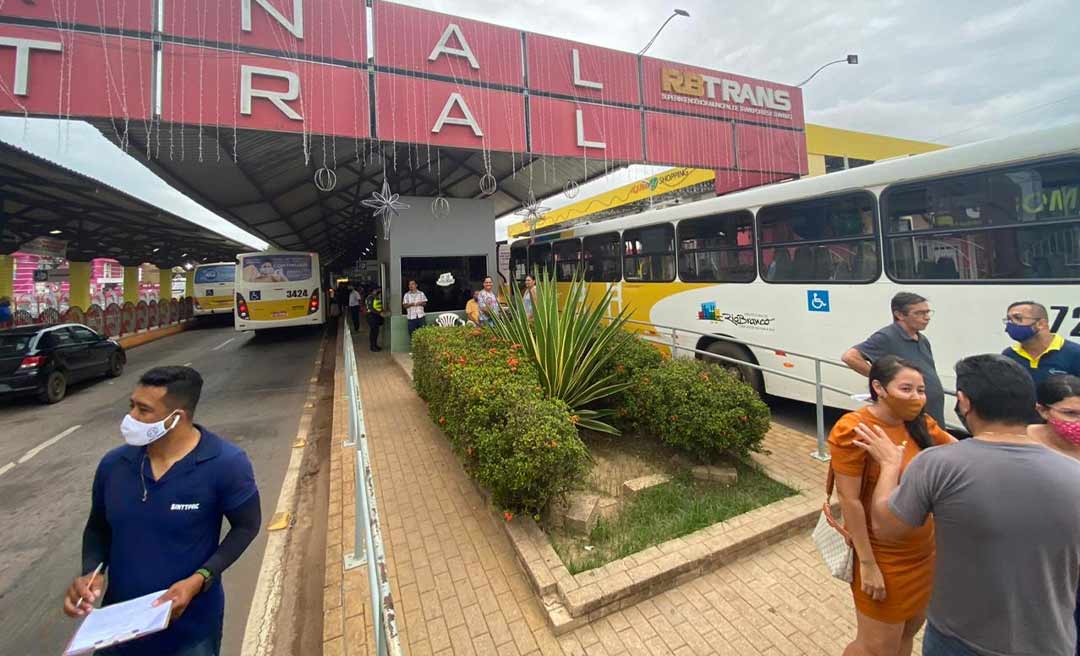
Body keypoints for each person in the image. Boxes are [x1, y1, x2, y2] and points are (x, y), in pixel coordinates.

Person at [853, 354, 1080, 656]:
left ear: (964, 401)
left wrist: (889, 465)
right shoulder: (1073, 474)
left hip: (957, 639)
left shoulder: (937, 465)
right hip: (1051, 640)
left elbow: (887, 528)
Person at [64, 367, 260, 656]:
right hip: (118, 630)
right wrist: (90, 574)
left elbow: (246, 526)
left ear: (176, 418)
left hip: (190, 632)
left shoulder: (226, 463)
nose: (131, 418)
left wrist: (200, 579)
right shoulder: (113, 465)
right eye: (131, 406)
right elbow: (98, 528)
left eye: (143, 410)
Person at [828, 355, 955, 656]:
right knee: (876, 648)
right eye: (907, 389)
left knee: (906, 636)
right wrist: (869, 565)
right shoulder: (855, 429)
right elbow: (851, 501)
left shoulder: (922, 424)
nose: (916, 397)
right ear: (879, 388)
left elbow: (963, 455)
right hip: (885, 558)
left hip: (924, 554)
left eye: (921, 390)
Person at [1028, 375, 1080, 655]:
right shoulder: (1023, 441)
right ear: (1042, 410)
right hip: (1040, 566)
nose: (1078, 422)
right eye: (1069, 414)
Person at [842, 292, 945, 427]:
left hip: (932, 413)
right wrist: (883, 380)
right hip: (910, 416)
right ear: (900, 315)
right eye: (919, 313)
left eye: (927, 312)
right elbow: (850, 357)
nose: (926, 318)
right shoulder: (887, 336)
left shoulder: (922, 339)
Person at [1002, 301, 1080, 385]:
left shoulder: (1075, 353)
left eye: (1018, 318)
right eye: (1008, 320)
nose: (1010, 324)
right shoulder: (1009, 355)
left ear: (1041, 324)